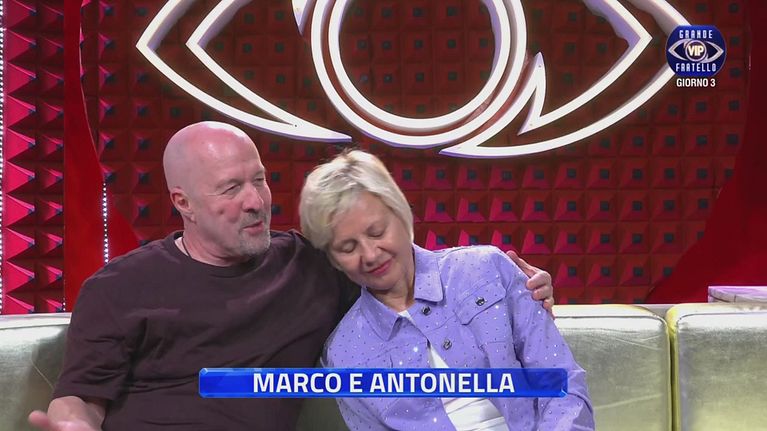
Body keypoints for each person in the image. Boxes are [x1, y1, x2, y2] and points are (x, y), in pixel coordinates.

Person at [28, 122, 555, 431]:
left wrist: (521, 290)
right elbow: (80, 399)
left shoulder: (310, 266)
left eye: (258, 180)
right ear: (183, 203)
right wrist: (71, 422)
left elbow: (414, 272)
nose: (256, 201)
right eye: (231, 189)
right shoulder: (118, 289)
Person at [299, 150, 594, 431]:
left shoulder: (486, 269)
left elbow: (562, 385)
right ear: (332, 258)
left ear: (401, 214)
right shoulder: (345, 352)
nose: (371, 255)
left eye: (377, 232)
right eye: (347, 248)